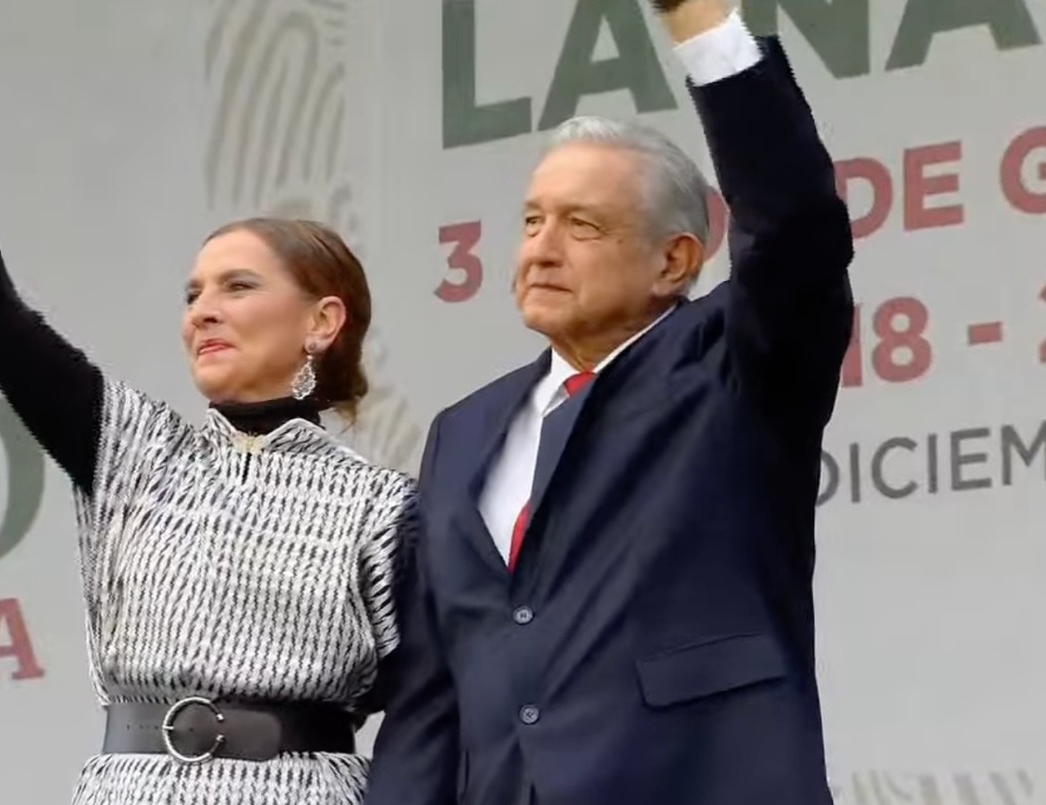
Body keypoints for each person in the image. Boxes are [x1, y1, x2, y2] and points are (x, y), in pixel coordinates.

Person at [363, 0, 855, 803]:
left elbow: (795, 226)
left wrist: (701, 22)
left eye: (582, 226)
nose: (541, 248)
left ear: (674, 261)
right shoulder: (466, 430)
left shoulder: (731, 369)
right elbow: (433, 698)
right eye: (531, 221)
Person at [0, 198, 416, 804]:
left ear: (322, 321)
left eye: (237, 287)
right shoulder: (133, 450)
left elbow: (434, 712)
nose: (203, 313)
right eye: (192, 296)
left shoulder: (382, 504)